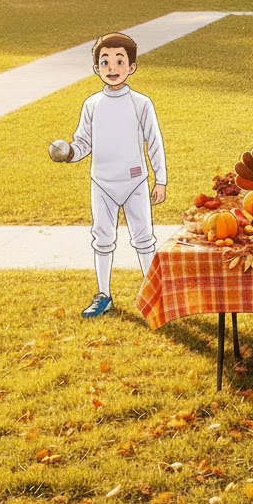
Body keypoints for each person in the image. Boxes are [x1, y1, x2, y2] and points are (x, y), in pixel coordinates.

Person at [48, 33, 167, 318]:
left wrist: (160, 179)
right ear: (96, 68)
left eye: (119, 61)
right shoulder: (92, 104)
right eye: (105, 62)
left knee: (144, 238)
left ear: (132, 66)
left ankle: (155, 294)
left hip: (135, 181)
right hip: (102, 183)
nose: (112, 68)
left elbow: (154, 141)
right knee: (102, 239)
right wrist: (70, 153)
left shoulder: (141, 103)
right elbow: (83, 142)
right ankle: (104, 295)